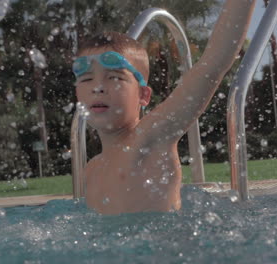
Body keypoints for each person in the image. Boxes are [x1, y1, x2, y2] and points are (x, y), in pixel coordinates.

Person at [74, 0, 256, 215]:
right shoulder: (91, 169)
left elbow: (213, 63)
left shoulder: (149, 139)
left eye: (114, 77)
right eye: (86, 80)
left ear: (143, 95)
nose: (98, 88)